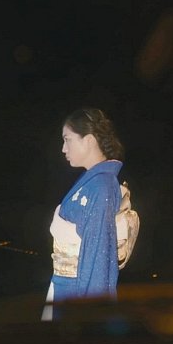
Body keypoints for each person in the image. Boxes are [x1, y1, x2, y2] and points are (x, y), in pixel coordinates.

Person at [41, 107, 125, 321]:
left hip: (75, 292)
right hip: (64, 286)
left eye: (67, 139)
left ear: (88, 140)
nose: (63, 148)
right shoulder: (92, 183)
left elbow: (98, 255)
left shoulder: (101, 187)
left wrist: (89, 313)